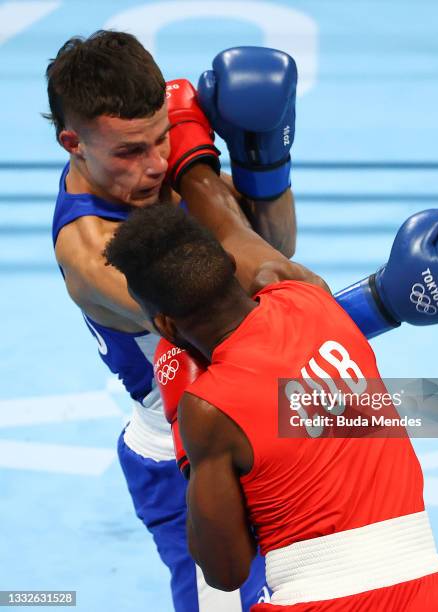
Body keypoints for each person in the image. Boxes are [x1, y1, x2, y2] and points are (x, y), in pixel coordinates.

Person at [104, 203, 438, 610]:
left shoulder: (209, 409)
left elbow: (226, 571)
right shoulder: (310, 297)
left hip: (316, 601)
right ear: (228, 264)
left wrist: (187, 440)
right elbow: (237, 232)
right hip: (426, 588)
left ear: (165, 326)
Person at [46, 31, 299, 611]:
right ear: (73, 144)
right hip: (188, 450)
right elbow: (260, 313)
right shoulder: (97, 256)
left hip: (250, 406)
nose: (157, 164)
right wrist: (381, 304)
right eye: (132, 152)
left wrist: (266, 166)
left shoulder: (137, 170)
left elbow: (271, 246)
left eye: (163, 138)